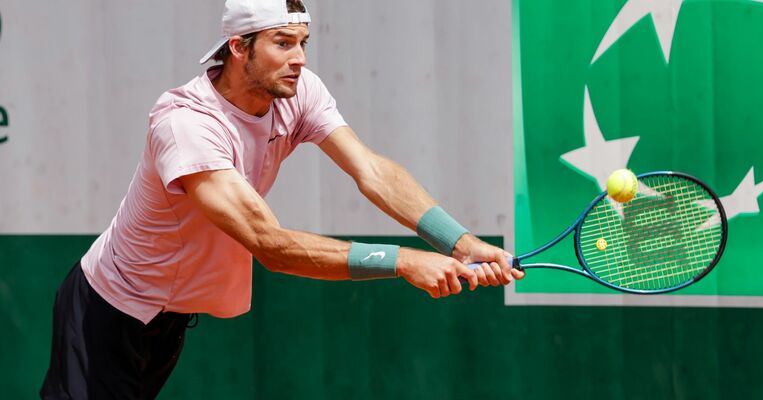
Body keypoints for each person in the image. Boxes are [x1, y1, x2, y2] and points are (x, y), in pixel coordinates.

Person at [40, 0, 524, 398]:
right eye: (283, 43)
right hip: (109, 307)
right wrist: (402, 262)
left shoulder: (298, 91)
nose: (301, 59)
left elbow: (371, 171)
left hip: (169, 316)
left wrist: (457, 241)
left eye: (303, 43)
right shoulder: (186, 126)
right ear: (237, 47)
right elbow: (268, 244)